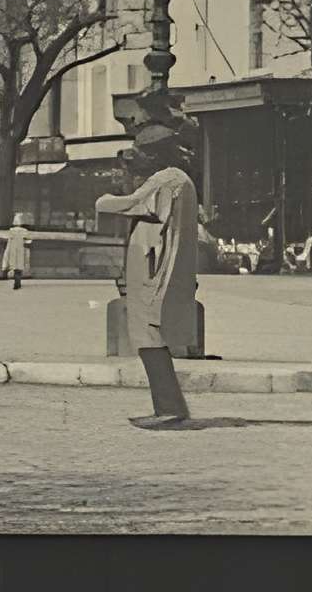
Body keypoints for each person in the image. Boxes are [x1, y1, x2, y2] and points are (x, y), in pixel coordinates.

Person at [95, 124, 200, 428]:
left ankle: (169, 407)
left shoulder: (165, 181)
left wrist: (102, 200)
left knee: (149, 336)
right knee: (150, 336)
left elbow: (131, 203)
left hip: (155, 270)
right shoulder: (180, 180)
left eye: (145, 153)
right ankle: (168, 406)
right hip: (161, 266)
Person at [2, 212, 32, 290]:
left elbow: (9, 244)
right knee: (19, 268)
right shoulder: (25, 231)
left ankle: (16, 282)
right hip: (21, 250)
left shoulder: (11, 231)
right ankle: (17, 282)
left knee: (15, 268)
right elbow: (28, 242)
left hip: (13, 250)